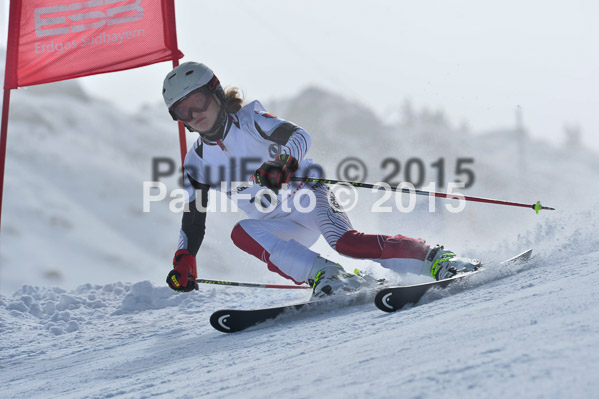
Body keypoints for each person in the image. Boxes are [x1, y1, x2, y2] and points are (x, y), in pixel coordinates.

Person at [163, 62, 479, 296]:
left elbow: (300, 135)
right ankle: (328, 276)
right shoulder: (196, 162)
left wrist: (282, 164)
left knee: (347, 243)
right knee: (241, 232)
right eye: (182, 112)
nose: (194, 115)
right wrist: (184, 257)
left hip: (308, 195)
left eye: (198, 102)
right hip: (279, 223)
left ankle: (437, 258)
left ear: (215, 93)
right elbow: (193, 219)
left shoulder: (250, 120)